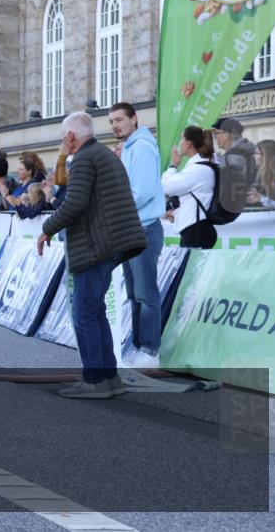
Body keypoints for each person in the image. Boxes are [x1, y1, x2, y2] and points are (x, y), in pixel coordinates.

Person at [38, 112, 147, 399]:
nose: (64, 141)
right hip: (111, 241)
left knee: (84, 313)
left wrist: (47, 228)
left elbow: (74, 202)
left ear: (71, 136)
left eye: (64, 137)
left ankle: (95, 380)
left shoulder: (86, 158)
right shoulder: (102, 154)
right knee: (95, 311)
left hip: (96, 243)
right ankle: (109, 378)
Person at [109, 102, 166, 363]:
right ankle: (139, 346)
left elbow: (141, 192)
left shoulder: (141, 147)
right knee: (134, 294)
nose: (114, 125)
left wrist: (116, 210)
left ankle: (149, 349)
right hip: (134, 227)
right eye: (111, 121)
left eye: (119, 120)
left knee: (144, 294)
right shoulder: (132, 147)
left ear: (134, 119)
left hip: (143, 228)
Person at [162, 126, 218, 249]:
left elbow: (166, 187)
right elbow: (193, 201)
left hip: (196, 232)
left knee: (189, 268)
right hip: (196, 230)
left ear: (188, 144)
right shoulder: (201, 167)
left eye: (182, 139)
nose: (180, 143)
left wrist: (173, 165)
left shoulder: (197, 169)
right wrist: (176, 213)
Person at [212, 117, 256, 213]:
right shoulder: (248, 153)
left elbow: (222, 189)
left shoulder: (230, 158)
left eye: (216, 134)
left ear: (227, 134)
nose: (215, 138)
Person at [247, 139, 275, 209]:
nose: (254, 156)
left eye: (256, 153)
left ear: (265, 155)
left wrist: (261, 198)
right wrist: (259, 197)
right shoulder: (267, 173)